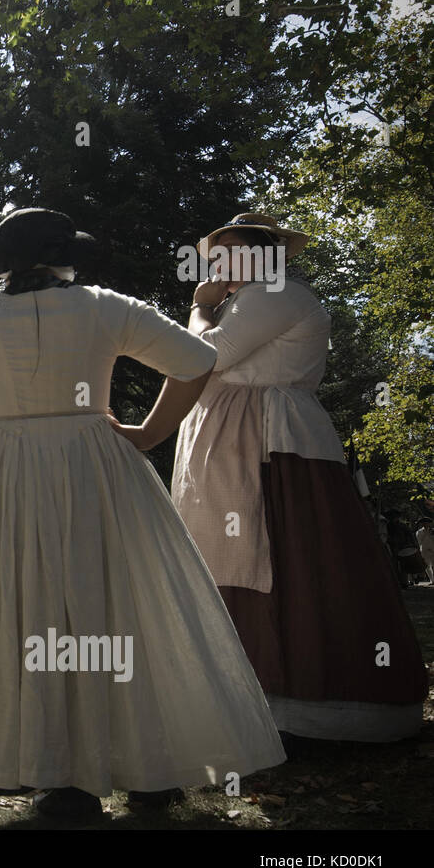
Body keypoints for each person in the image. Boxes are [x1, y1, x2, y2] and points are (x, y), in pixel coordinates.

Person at [0, 207, 284, 821]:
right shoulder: (105, 306)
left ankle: (53, 775)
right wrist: (147, 433)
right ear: (65, 259)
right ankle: (147, 771)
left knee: (26, 611)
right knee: (121, 606)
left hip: (3, 477)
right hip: (97, 464)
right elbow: (196, 360)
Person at [173, 213, 428, 744]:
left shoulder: (275, 292)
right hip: (235, 437)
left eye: (234, 251)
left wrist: (198, 307)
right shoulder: (245, 301)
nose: (220, 263)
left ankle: (305, 706)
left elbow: (206, 355)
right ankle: (248, 699)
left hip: (268, 441)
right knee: (237, 557)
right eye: (216, 255)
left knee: (286, 555)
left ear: (267, 254)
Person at [416, 517, 434, 585]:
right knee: (427, 566)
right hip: (424, 550)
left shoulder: (433, 531)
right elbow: (419, 542)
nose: (426, 524)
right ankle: (432, 580)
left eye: (427, 522)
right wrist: (426, 533)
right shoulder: (419, 532)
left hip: (433, 549)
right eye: (424, 522)